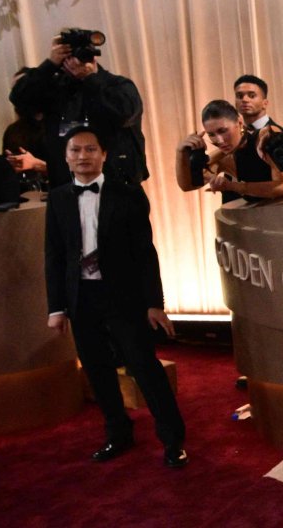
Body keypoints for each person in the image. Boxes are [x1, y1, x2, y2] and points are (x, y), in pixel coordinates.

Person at [45, 126, 187, 468]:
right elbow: (54, 255)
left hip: (123, 297)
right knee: (97, 370)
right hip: (82, 297)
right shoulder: (59, 197)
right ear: (66, 157)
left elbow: (145, 252)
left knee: (144, 367)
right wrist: (56, 307)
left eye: (90, 150)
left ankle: (172, 440)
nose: (83, 157)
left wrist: (154, 302)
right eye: (75, 151)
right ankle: (118, 434)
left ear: (104, 154)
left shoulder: (128, 194)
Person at [8, 31, 148, 188]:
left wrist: (91, 80)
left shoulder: (117, 86)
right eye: (68, 56)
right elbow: (19, 98)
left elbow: (123, 115)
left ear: (93, 56)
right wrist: (49, 65)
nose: (75, 61)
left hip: (117, 186)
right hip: (67, 187)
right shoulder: (56, 91)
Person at [173, 100, 283, 204]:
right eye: (211, 134)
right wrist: (181, 153)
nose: (219, 140)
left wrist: (233, 186)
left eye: (223, 131)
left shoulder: (264, 137)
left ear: (240, 123)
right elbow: (188, 185)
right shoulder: (223, 157)